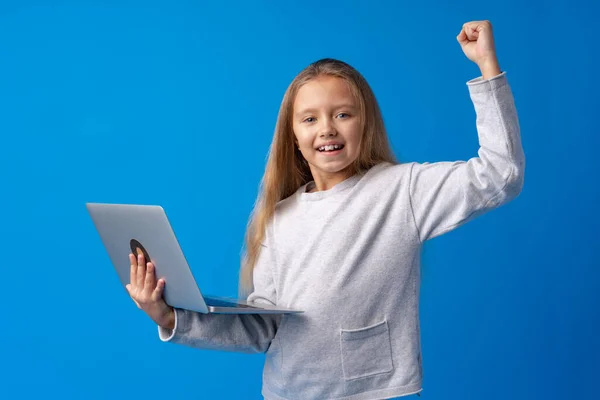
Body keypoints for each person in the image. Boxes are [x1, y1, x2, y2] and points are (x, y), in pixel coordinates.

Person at [125, 20, 525, 400]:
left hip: (374, 391)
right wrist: (170, 318)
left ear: (364, 124)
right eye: (310, 118)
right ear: (294, 135)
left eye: (343, 114)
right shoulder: (279, 217)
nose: (327, 128)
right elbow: (263, 328)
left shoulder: (403, 189)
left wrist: (488, 68)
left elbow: (500, 173)